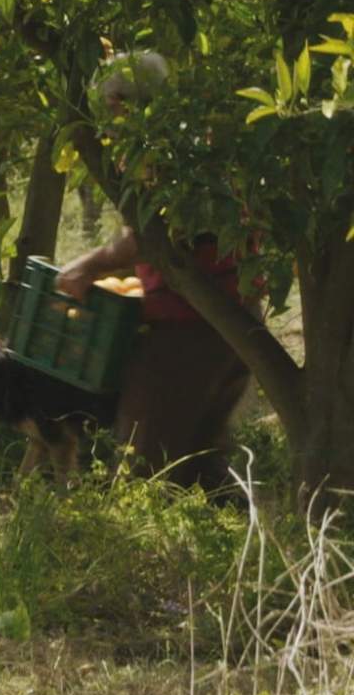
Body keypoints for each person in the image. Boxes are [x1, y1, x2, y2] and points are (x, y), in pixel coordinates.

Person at [54, 51, 254, 492]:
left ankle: (137, 556)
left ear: (127, 104)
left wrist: (88, 265)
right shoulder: (189, 144)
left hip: (192, 328)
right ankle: (243, 546)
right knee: (202, 461)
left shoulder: (164, 154)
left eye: (109, 110)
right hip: (231, 323)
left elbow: (154, 237)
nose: (106, 126)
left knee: (142, 465)